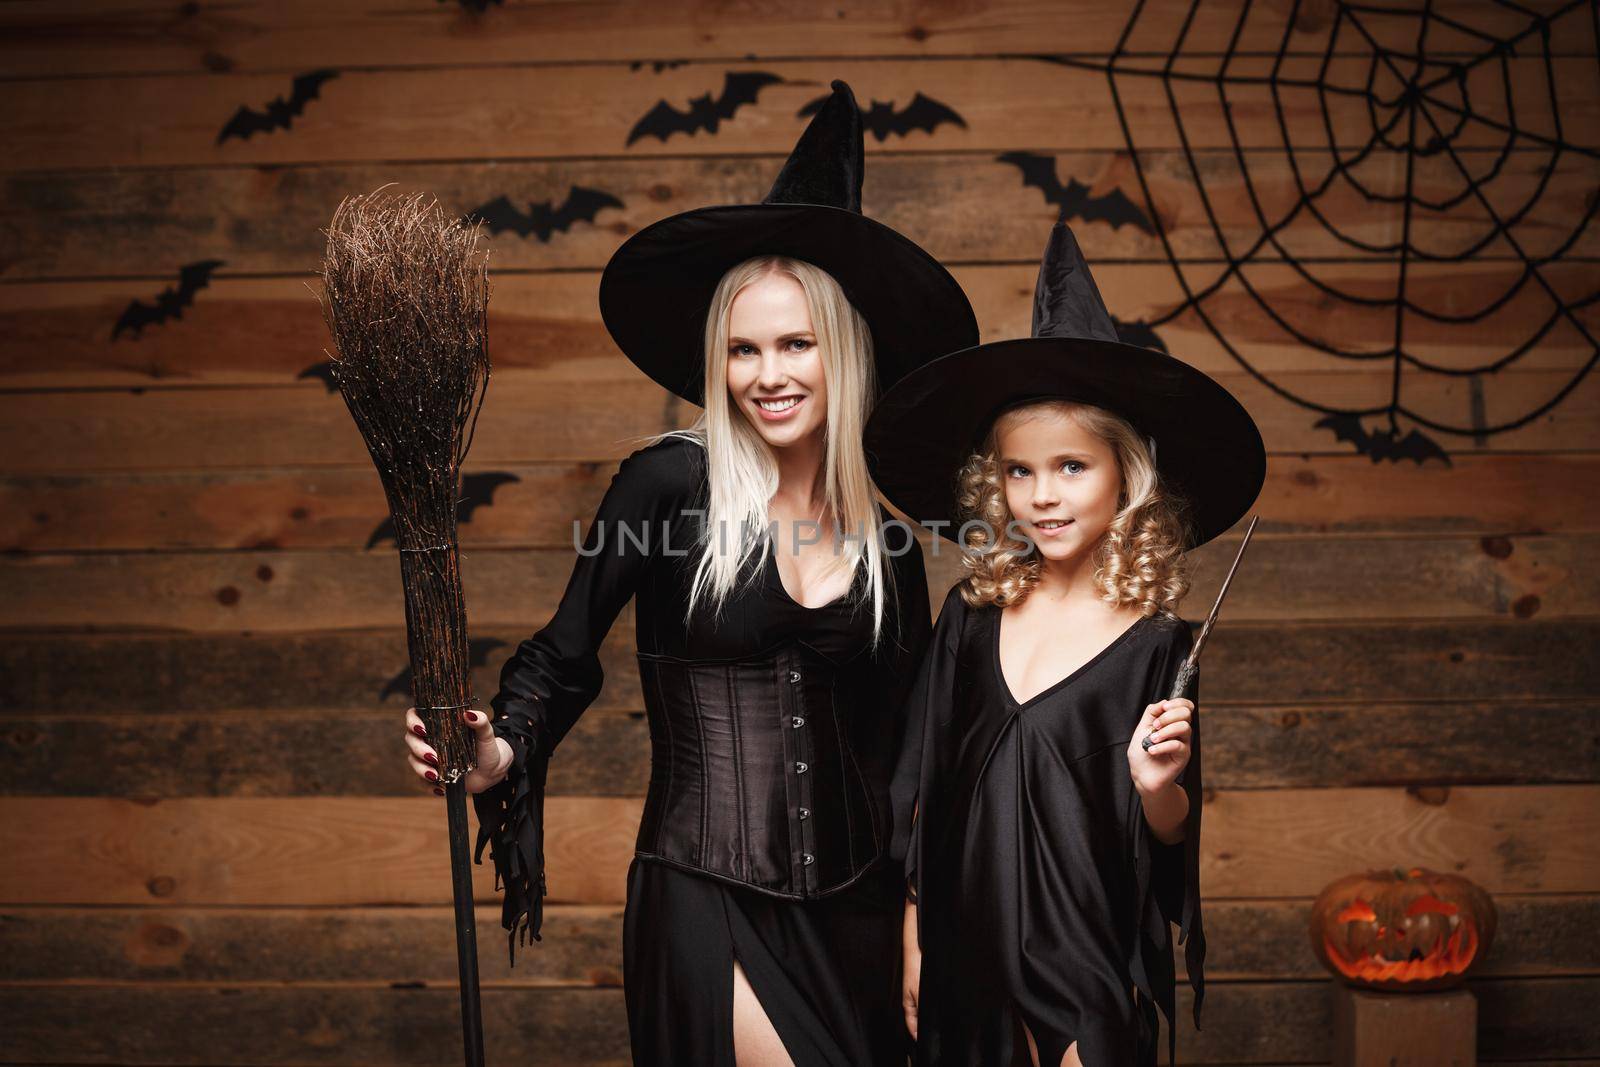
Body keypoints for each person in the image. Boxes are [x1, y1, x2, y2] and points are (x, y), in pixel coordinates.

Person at [404, 81, 978, 1065]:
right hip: (704, 890)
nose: (770, 373)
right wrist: (498, 753)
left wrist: (926, 917)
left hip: (861, 914)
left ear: (841, 352)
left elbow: (909, 754)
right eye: (743, 349)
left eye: (796, 343)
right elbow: (563, 655)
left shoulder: (887, 547)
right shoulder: (667, 485)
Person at [865, 221, 1266, 1066]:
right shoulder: (968, 618)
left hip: (1081, 950)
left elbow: (1166, 835)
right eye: (1020, 471)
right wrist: (911, 933)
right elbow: (924, 790)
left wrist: (1158, 786)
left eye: (1072, 467)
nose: (1042, 496)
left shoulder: (1161, 644)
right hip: (958, 950)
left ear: (1126, 473)